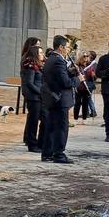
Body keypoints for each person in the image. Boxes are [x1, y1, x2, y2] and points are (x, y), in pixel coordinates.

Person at [41, 35, 77, 164]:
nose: (68, 50)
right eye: (67, 47)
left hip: (54, 99)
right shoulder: (58, 60)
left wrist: (72, 72)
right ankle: (59, 154)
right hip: (60, 99)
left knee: (51, 127)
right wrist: (77, 79)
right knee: (61, 127)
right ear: (61, 47)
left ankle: (47, 153)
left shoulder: (52, 59)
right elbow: (65, 82)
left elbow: (60, 75)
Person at [21, 45, 45, 152]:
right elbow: (30, 83)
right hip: (34, 97)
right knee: (33, 121)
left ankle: (40, 142)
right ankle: (32, 144)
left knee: (42, 119)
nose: (42, 54)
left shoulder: (39, 66)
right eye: (40, 53)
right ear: (35, 54)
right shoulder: (30, 65)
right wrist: (40, 92)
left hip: (39, 97)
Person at [73, 52, 92, 124]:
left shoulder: (89, 66)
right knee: (77, 103)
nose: (86, 58)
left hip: (87, 87)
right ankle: (75, 119)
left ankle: (84, 119)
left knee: (85, 103)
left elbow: (93, 78)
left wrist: (92, 75)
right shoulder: (77, 66)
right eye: (84, 56)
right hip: (79, 86)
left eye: (87, 56)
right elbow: (73, 75)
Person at [86, 50, 98, 119]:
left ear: (91, 57)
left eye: (88, 55)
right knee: (88, 98)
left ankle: (89, 112)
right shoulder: (87, 63)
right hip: (85, 83)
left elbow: (96, 76)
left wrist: (93, 75)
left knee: (87, 98)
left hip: (90, 83)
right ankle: (92, 112)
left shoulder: (95, 65)